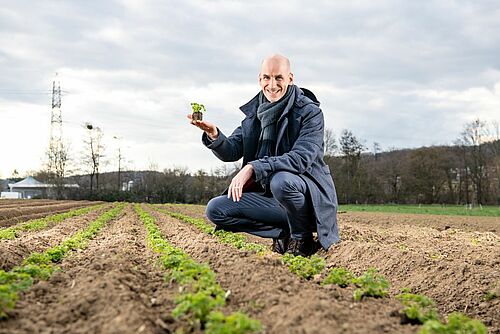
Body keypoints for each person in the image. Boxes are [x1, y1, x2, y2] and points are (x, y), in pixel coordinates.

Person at [188, 54, 339, 257]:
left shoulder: (309, 113)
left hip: (307, 199)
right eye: (267, 77)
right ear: (260, 79)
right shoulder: (256, 113)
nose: (272, 84)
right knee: (216, 209)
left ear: (290, 79)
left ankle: (302, 237)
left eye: (279, 78)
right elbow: (232, 149)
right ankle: (283, 231)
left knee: (281, 181)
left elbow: (301, 158)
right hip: (269, 197)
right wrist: (214, 134)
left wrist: (253, 167)